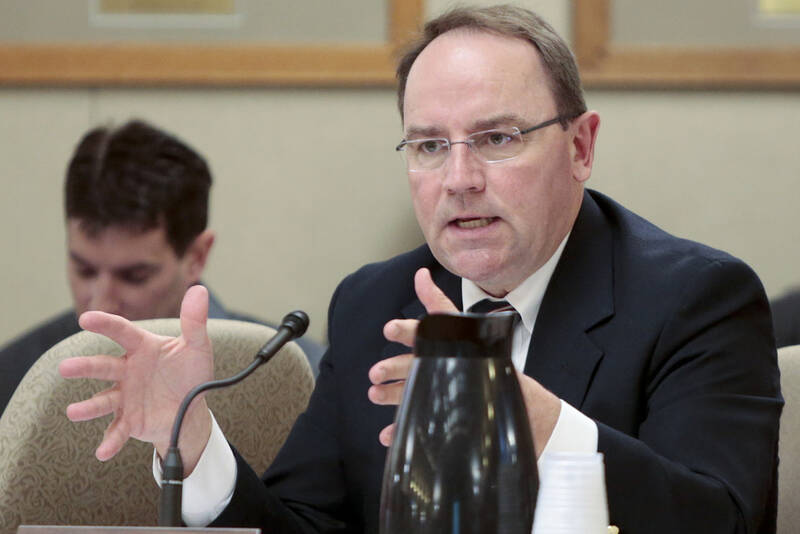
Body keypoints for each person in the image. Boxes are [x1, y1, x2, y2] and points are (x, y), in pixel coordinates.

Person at [59, 6, 782, 534]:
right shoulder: (375, 301)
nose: (459, 178)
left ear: (580, 148)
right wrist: (192, 443)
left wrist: (526, 416)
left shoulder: (696, 299)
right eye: (429, 146)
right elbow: (306, 525)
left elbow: (721, 518)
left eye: (497, 138)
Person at [0, 119, 324, 416]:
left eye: (134, 277)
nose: (100, 305)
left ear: (197, 256)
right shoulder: (16, 377)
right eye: (84, 270)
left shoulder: (297, 379)